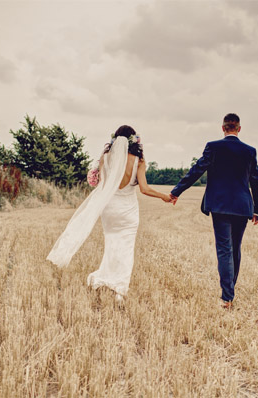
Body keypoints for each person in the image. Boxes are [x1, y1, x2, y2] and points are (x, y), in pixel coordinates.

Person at [47, 125, 172, 301]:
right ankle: (119, 290)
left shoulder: (105, 158)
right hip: (128, 210)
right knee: (125, 249)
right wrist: (163, 197)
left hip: (109, 209)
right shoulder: (138, 160)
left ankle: (105, 278)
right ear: (133, 140)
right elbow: (144, 189)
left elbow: (102, 184)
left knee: (111, 245)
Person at [170, 113, 258, 309]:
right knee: (235, 248)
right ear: (239, 128)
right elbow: (255, 181)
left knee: (224, 249)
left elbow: (196, 170)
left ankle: (227, 297)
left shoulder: (213, 147)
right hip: (242, 206)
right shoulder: (250, 151)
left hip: (220, 205)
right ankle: (229, 292)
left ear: (223, 128)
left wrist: (177, 191)